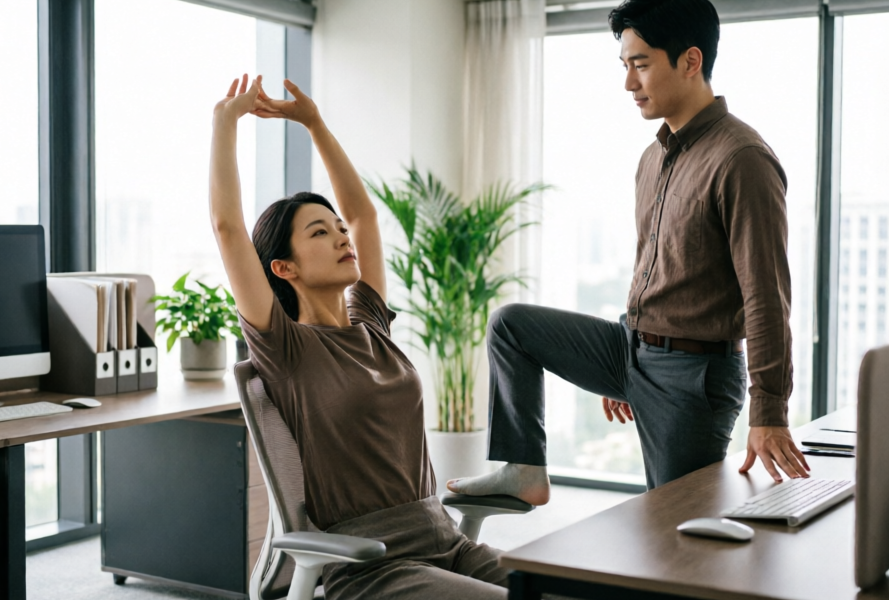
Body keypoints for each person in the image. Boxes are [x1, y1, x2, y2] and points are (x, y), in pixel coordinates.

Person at [448, 0, 809, 505]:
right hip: (630, 349)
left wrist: (768, 411)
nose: (629, 83)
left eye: (641, 64)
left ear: (690, 60)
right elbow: (656, 268)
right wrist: (622, 353)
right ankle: (524, 469)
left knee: (675, 532)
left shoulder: (741, 159)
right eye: (625, 66)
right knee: (511, 325)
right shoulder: (652, 157)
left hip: (693, 377)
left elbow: (766, 296)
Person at [210, 73, 518, 600]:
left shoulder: (369, 325)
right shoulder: (287, 349)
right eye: (320, 233)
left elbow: (364, 216)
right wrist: (225, 123)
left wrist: (313, 122)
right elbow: (227, 227)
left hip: (446, 542)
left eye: (338, 230)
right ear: (283, 268)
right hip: (374, 568)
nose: (341, 237)